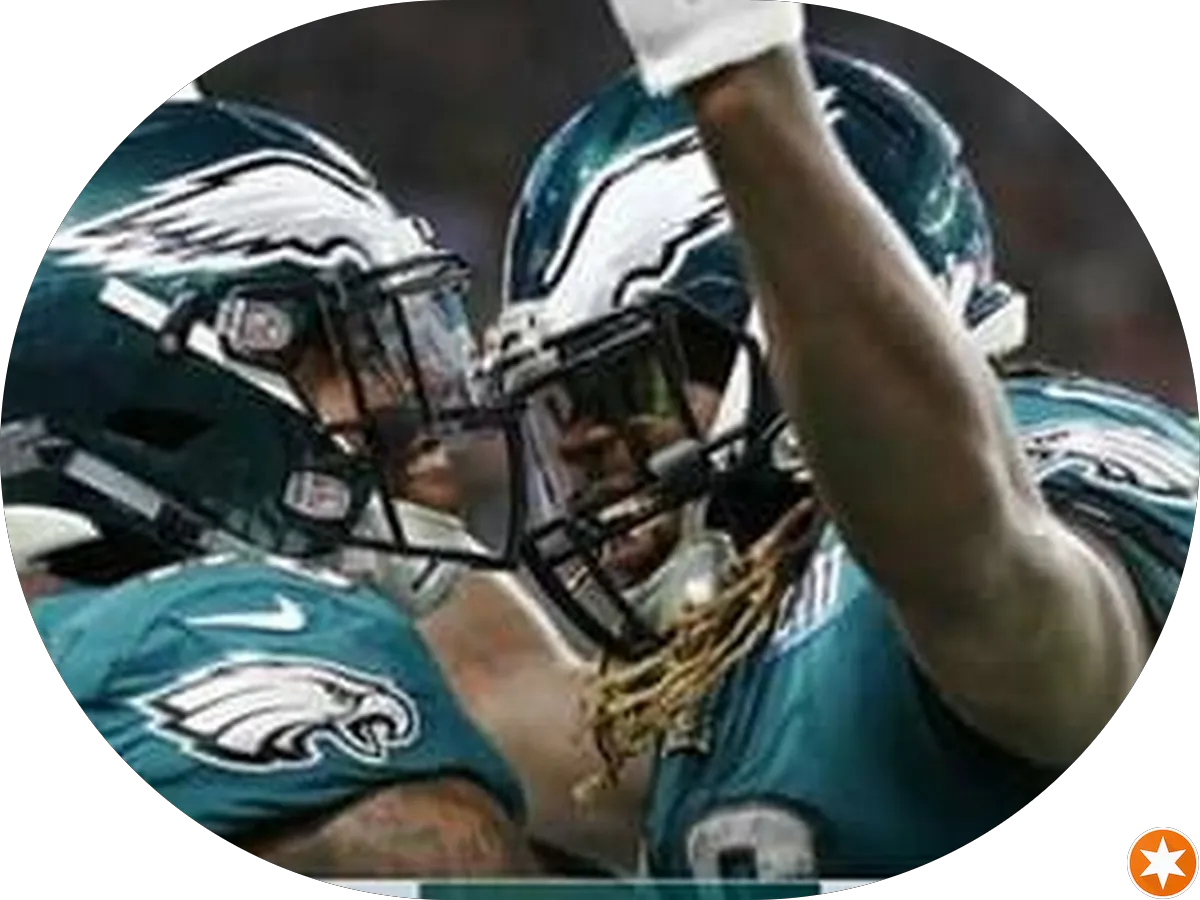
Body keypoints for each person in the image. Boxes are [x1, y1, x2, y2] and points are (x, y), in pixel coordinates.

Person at [483, 3, 1198, 881]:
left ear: (780, 331)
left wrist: (735, 76)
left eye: (623, 386)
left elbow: (990, 575)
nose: (579, 447)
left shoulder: (1027, 474)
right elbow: (500, 705)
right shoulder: (748, 627)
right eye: (557, 407)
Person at [6, 86, 545, 878]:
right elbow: (447, 860)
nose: (409, 394)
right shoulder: (202, 630)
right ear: (171, 394)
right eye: (355, 345)